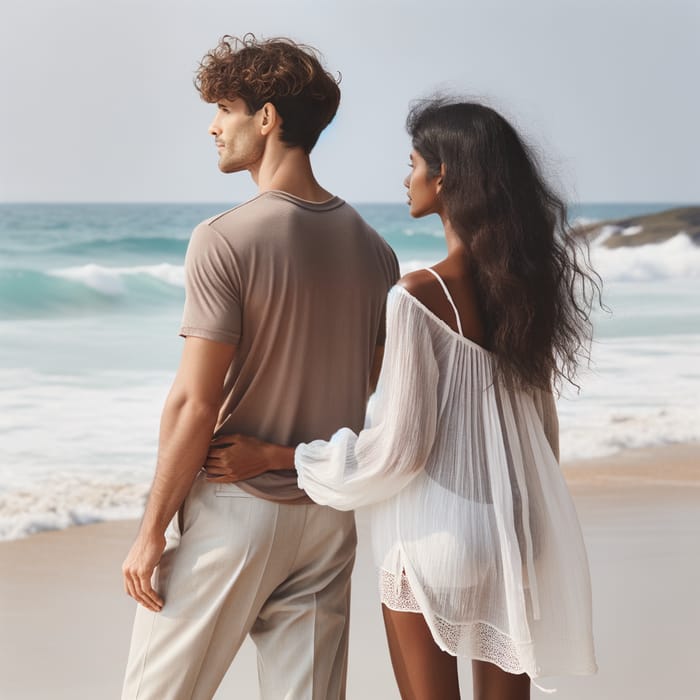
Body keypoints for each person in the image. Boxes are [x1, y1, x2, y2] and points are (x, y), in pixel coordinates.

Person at [204, 99, 599, 699]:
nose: (405, 177)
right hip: (515, 530)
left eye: (413, 163)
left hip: (435, 539)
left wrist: (275, 455)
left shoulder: (417, 294)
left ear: (444, 179)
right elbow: (541, 436)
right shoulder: (526, 295)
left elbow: (398, 452)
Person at [120, 34, 399, 699]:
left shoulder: (224, 238)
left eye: (225, 107)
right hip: (327, 517)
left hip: (235, 513)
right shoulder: (377, 253)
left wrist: (150, 532)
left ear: (267, 118)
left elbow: (192, 403)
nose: (214, 126)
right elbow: (364, 391)